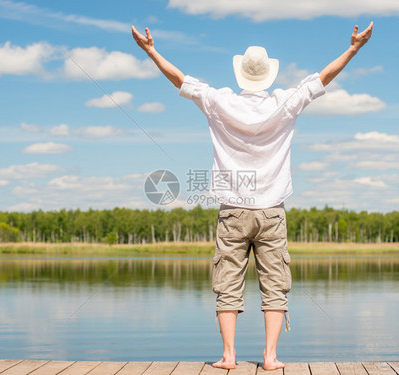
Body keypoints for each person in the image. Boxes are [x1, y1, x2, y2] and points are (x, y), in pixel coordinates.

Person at [132, 22, 373, 370]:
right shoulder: (286, 102)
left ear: (241, 74)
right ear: (268, 76)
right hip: (272, 210)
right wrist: (353, 48)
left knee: (228, 282)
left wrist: (151, 51)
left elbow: (179, 80)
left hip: (233, 210)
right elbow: (323, 77)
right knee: (275, 284)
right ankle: (270, 357)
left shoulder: (219, 101)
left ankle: (229, 356)